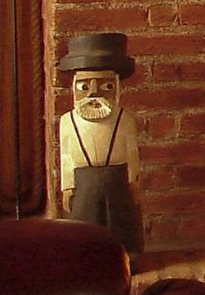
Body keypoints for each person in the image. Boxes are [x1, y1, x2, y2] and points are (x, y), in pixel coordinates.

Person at [57, 32, 145, 252]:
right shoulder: (67, 121)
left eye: (105, 86)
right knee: (83, 226)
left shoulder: (125, 119)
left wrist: (133, 180)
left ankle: (126, 259)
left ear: (116, 87)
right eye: (85, 87)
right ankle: (86, 263)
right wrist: (67, 186)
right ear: (74, 87)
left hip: (117, 179)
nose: (94, 93)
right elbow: (66, 156)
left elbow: (132, 152)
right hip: (83, 181)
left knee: (121, 226)